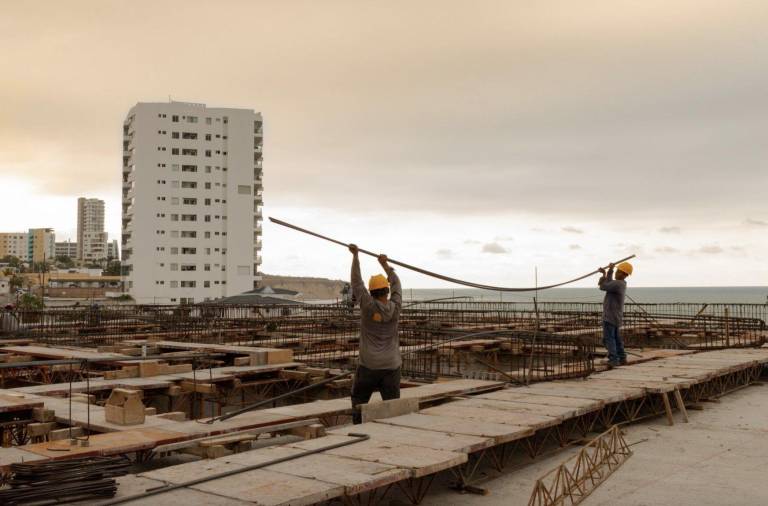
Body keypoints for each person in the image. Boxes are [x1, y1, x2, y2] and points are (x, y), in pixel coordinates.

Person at [348, 244, 402, 424]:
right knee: (393, 407)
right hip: (391, 366)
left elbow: (356, 282)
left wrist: (355, 256)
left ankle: (357, 430)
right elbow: (396, 283)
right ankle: (393, 433)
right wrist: (385, 265)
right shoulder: (395, 308)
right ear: (386, 291)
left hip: (369, 366)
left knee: (358, 403)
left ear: (371, 292)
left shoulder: (368, 306)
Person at [598, 261, 633, 368]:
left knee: (609, 339)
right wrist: (609, 271)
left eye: (618, 271)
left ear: (624, 274)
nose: (616, 273)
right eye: (617, 271)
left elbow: (603, 286)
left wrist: (605, 274)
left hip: (610, 316)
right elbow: (609, 284)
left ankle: (613, 359)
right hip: (615, 316)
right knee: (616, 338)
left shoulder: (618, 284)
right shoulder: (619, 284)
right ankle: (622, 358)